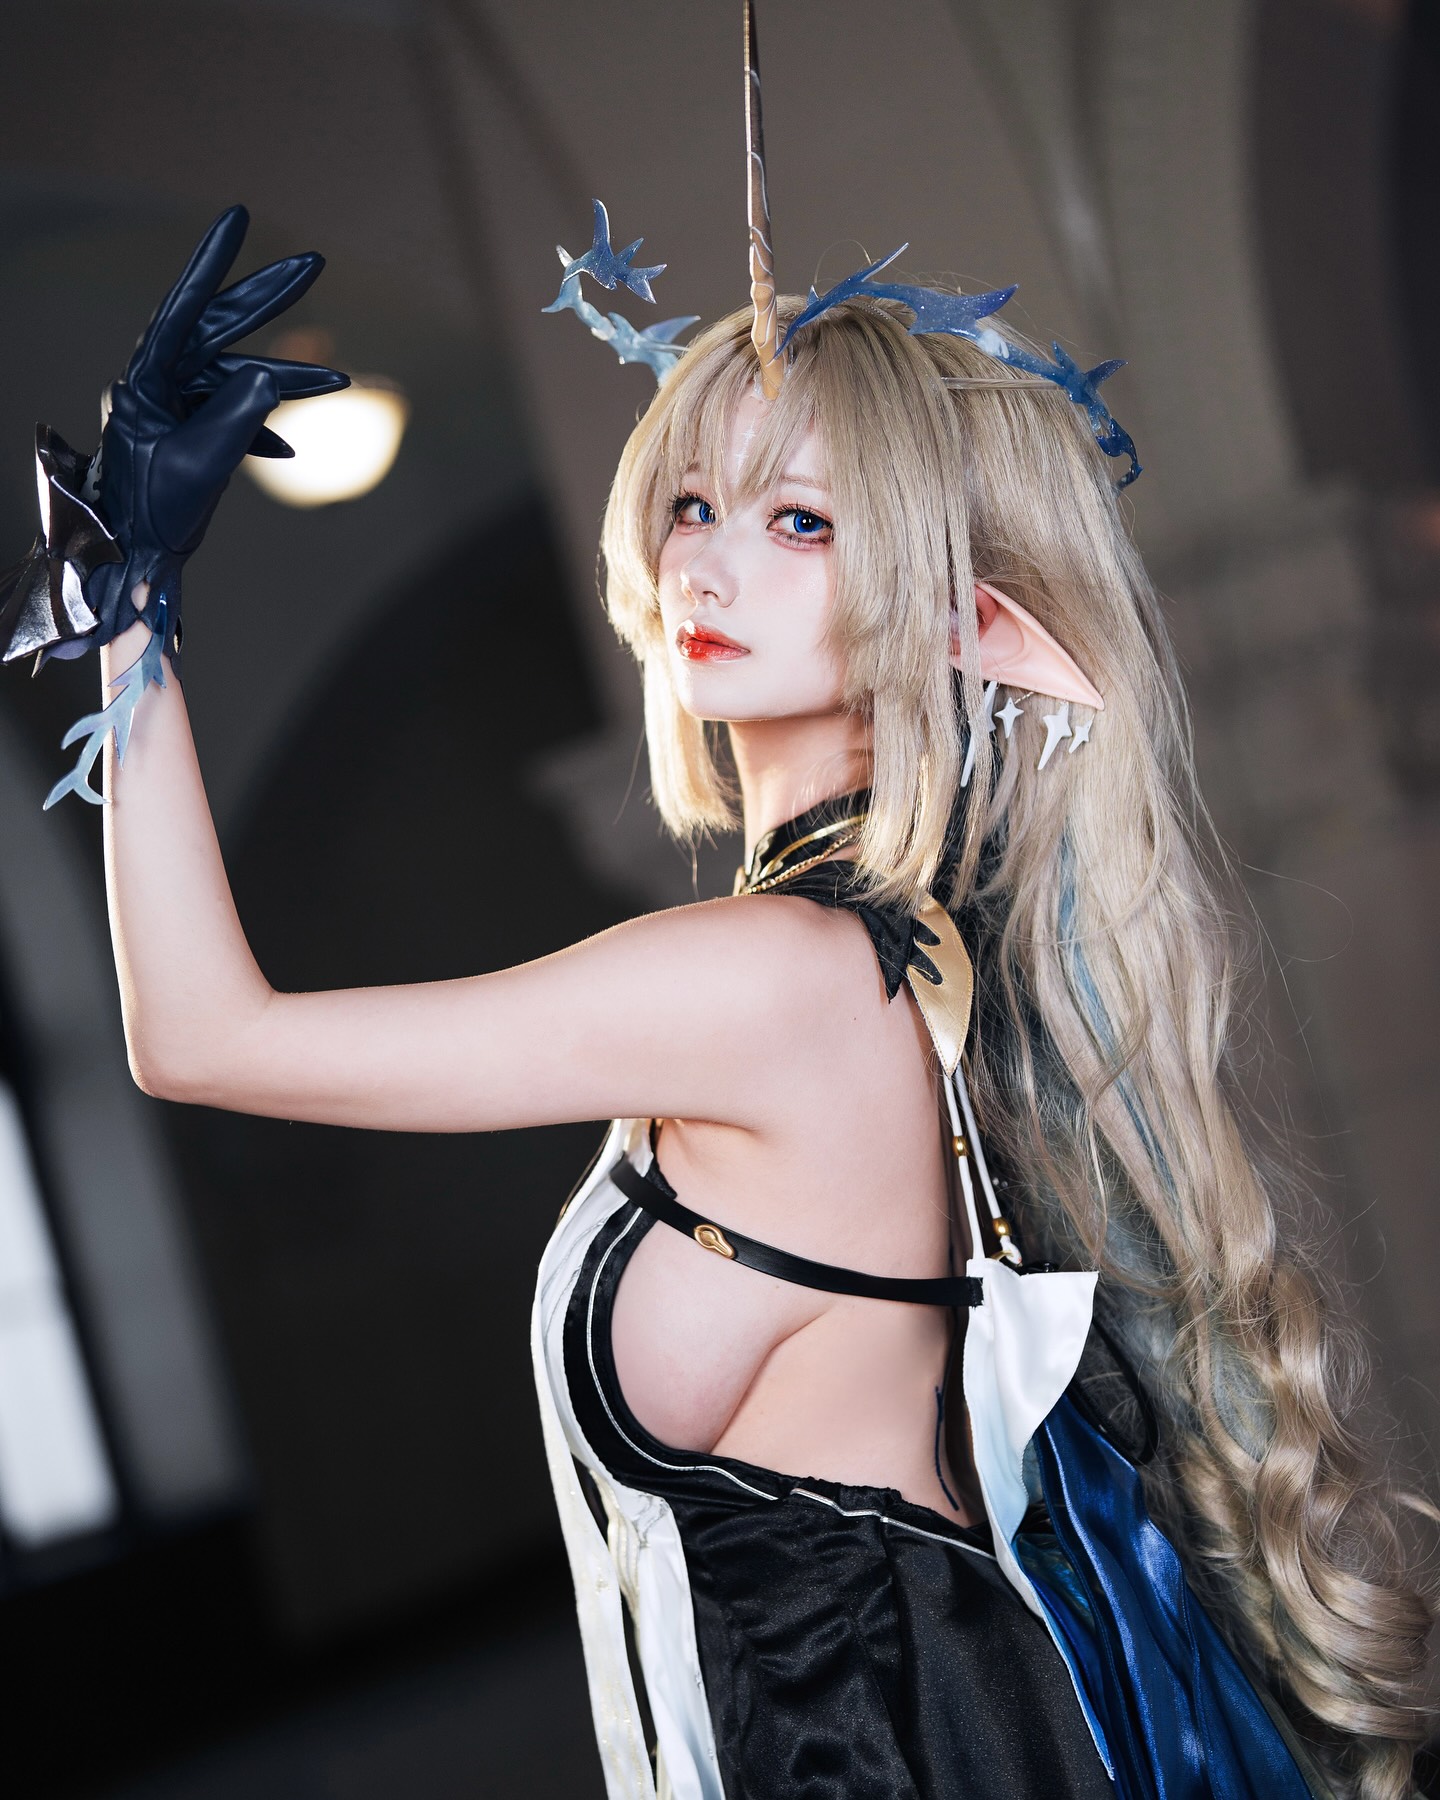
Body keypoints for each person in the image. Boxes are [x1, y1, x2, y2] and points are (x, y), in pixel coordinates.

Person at [1, 33, 1431, 1798]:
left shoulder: (774, 976)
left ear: (951, 608)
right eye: (691, 499)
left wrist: (131, 608)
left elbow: (203, 1039)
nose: (705, 557)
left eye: (800, 520)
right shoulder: (886, 958)